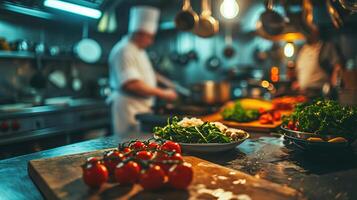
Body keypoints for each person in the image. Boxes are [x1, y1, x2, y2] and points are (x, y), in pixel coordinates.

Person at [108, 6, 177, 134]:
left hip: (141, 107)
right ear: (139, 33)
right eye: (150, 37)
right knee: (129, 144)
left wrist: (167, 82)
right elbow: (131, 84)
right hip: (130, 108)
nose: (151, 41)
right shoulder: (125, 50)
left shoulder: (139, 50)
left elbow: (145, 72)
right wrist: (164, 93)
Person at [293, 30, 344, 98]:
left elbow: (338, 67)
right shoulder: (303, 49)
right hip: (303, 95)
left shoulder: (327, 47)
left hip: (320, 95)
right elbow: (301, 71)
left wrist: (333, 88)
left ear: (317, 31)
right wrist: (299, 83)